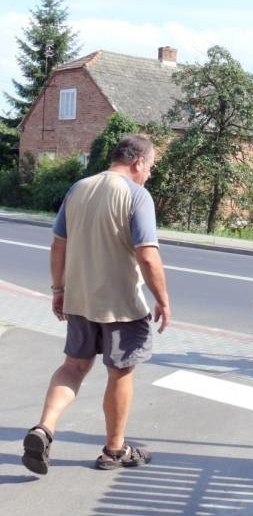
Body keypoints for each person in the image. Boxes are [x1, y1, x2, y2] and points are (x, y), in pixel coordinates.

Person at [22, 134, 171, 475]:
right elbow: (148, 256)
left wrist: (59, 290)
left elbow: (58, 245)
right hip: (121, 304)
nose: (149, 173)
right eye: (150, 167)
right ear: (138, 163)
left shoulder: (79, 188)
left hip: (79, 298)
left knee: (73, 367)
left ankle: (43, 428)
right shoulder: (136, 195)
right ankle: (114, 450)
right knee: (120, 372)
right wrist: (163, 299)